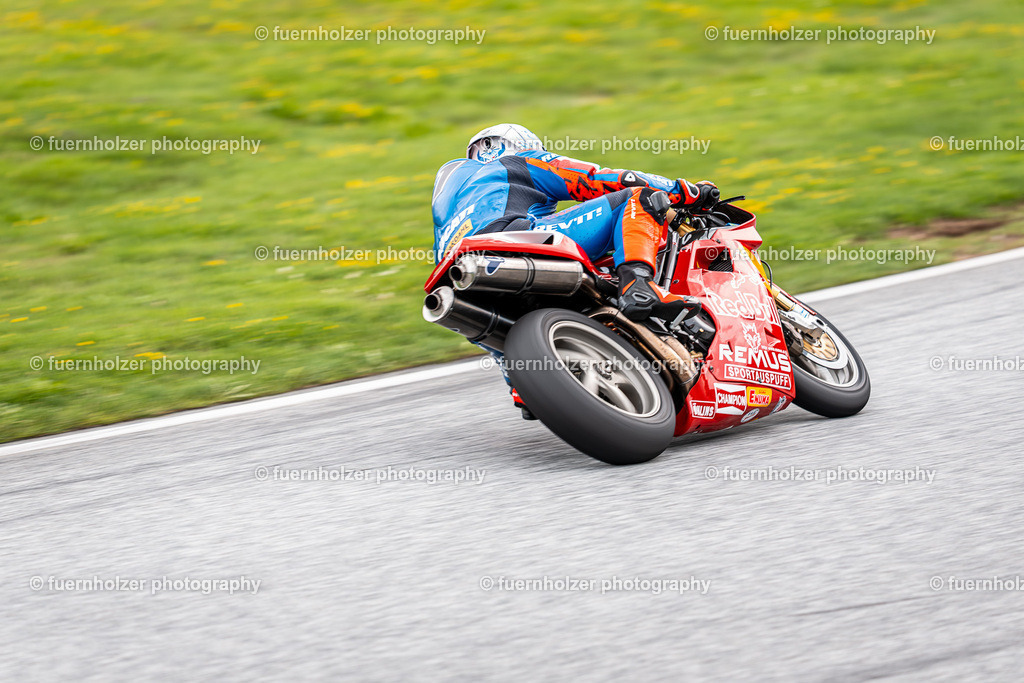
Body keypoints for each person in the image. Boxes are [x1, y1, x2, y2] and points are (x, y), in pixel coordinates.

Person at [431, 123, 717, 417]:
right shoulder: (518, 162)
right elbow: (597, 179)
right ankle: (639, 287)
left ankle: (521, 383)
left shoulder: (449, 199)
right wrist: (685, 192)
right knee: (638, 199)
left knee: (493, 320)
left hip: (457, 279)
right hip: (511, 240)